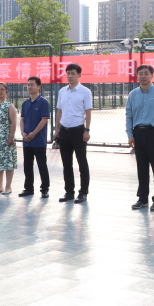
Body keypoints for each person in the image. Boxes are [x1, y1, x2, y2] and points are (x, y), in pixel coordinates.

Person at [126, 65, 154, 211]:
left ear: (152, 76)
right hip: (138, 134)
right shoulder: (133, 94)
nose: (143, 76)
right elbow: (129, 115)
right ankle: (142, 198)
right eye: (140, 74)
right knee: (142, 167)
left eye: (146, 73)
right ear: (137, 76)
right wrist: (130, 135)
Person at [54, 63, 92, 204]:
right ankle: (69, 192)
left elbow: (88, 112)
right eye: (68, 73)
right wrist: (57, 130)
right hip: (64, 131)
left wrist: (87, 130)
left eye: (73, 73)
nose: (70, 76)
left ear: (79, 75)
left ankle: (83, 193)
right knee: (66, 164)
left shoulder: (85, 92)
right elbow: (59, 111)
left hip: (78, 131)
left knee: (82, 163)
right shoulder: (62, 91)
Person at [19, 76, 51, 198]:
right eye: (28, 85)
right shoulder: (25, 103)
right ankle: (28, 188)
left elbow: (44, 120)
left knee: (42, 165)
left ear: (39, 86)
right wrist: (23, 133)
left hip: (39, 141)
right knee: (27, 165)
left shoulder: (43, 103)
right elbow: (22, 119)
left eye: (32, 84)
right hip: (27, 140)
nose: (29, 87)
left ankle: (44, 189)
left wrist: (33, 133)